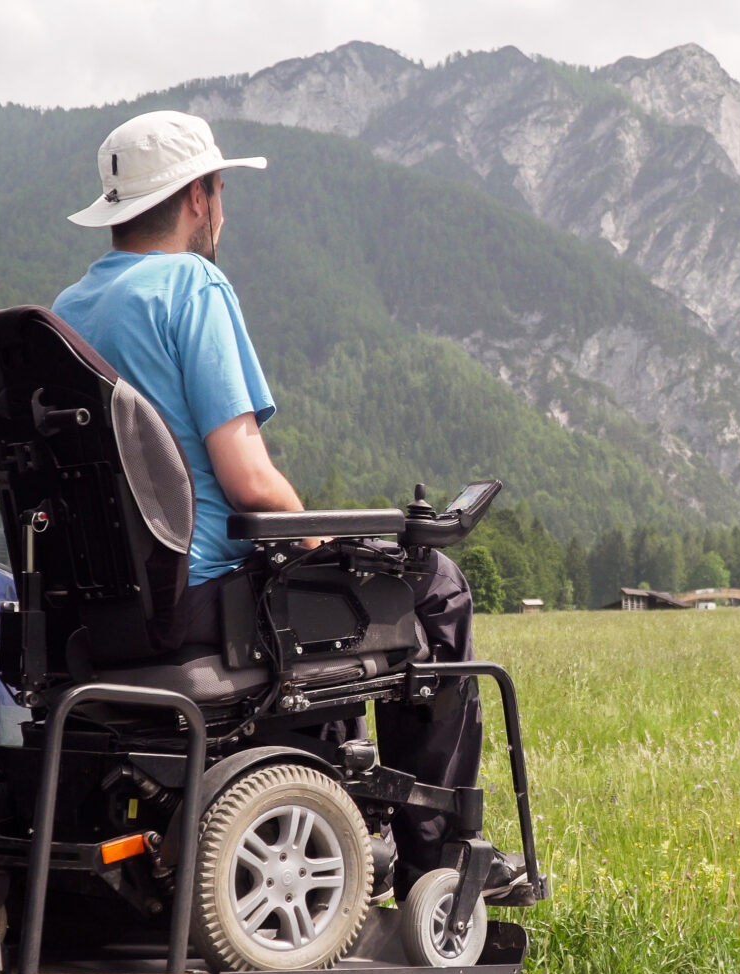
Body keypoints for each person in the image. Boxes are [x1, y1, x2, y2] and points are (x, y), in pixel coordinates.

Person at [53, 111, 522, 898]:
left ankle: (349, 812)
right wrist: (323, 545)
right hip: (197, 601)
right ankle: (437, 862)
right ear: (200, 197)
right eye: (221, 190)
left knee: (348, 597)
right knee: (430, 582)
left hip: (100, 620)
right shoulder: (191, 284)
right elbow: (248, 480)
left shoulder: (67, 311)